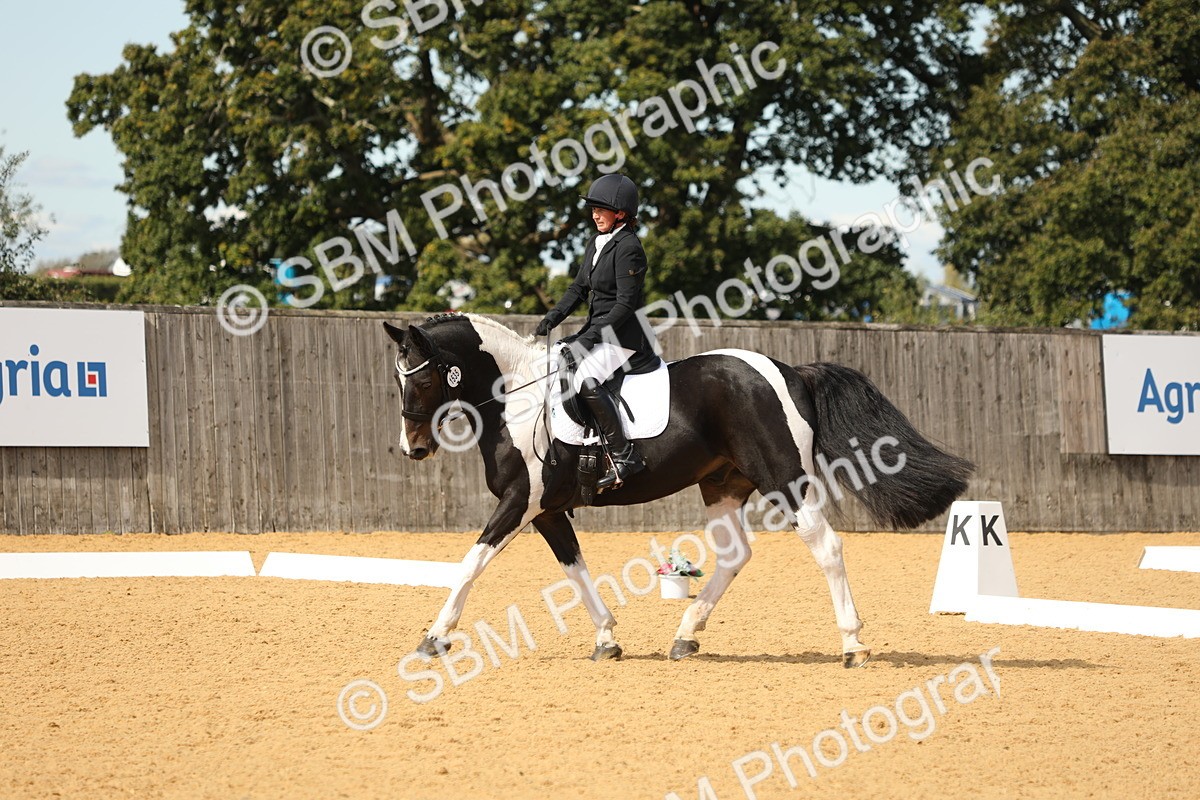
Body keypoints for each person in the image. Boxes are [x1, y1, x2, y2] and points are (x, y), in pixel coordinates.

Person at [535, 173, 660, 489]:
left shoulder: (629, 246)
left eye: (601, 209)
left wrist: (588, 339)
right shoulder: (595, 242)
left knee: (585, 379)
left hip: (624, 337)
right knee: (553, 363)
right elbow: (579, 288)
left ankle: (623, 455)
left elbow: (624, 305)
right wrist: (553, 316)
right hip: (598, 330)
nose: (594, 214)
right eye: (592, 209)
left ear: (620, 213)